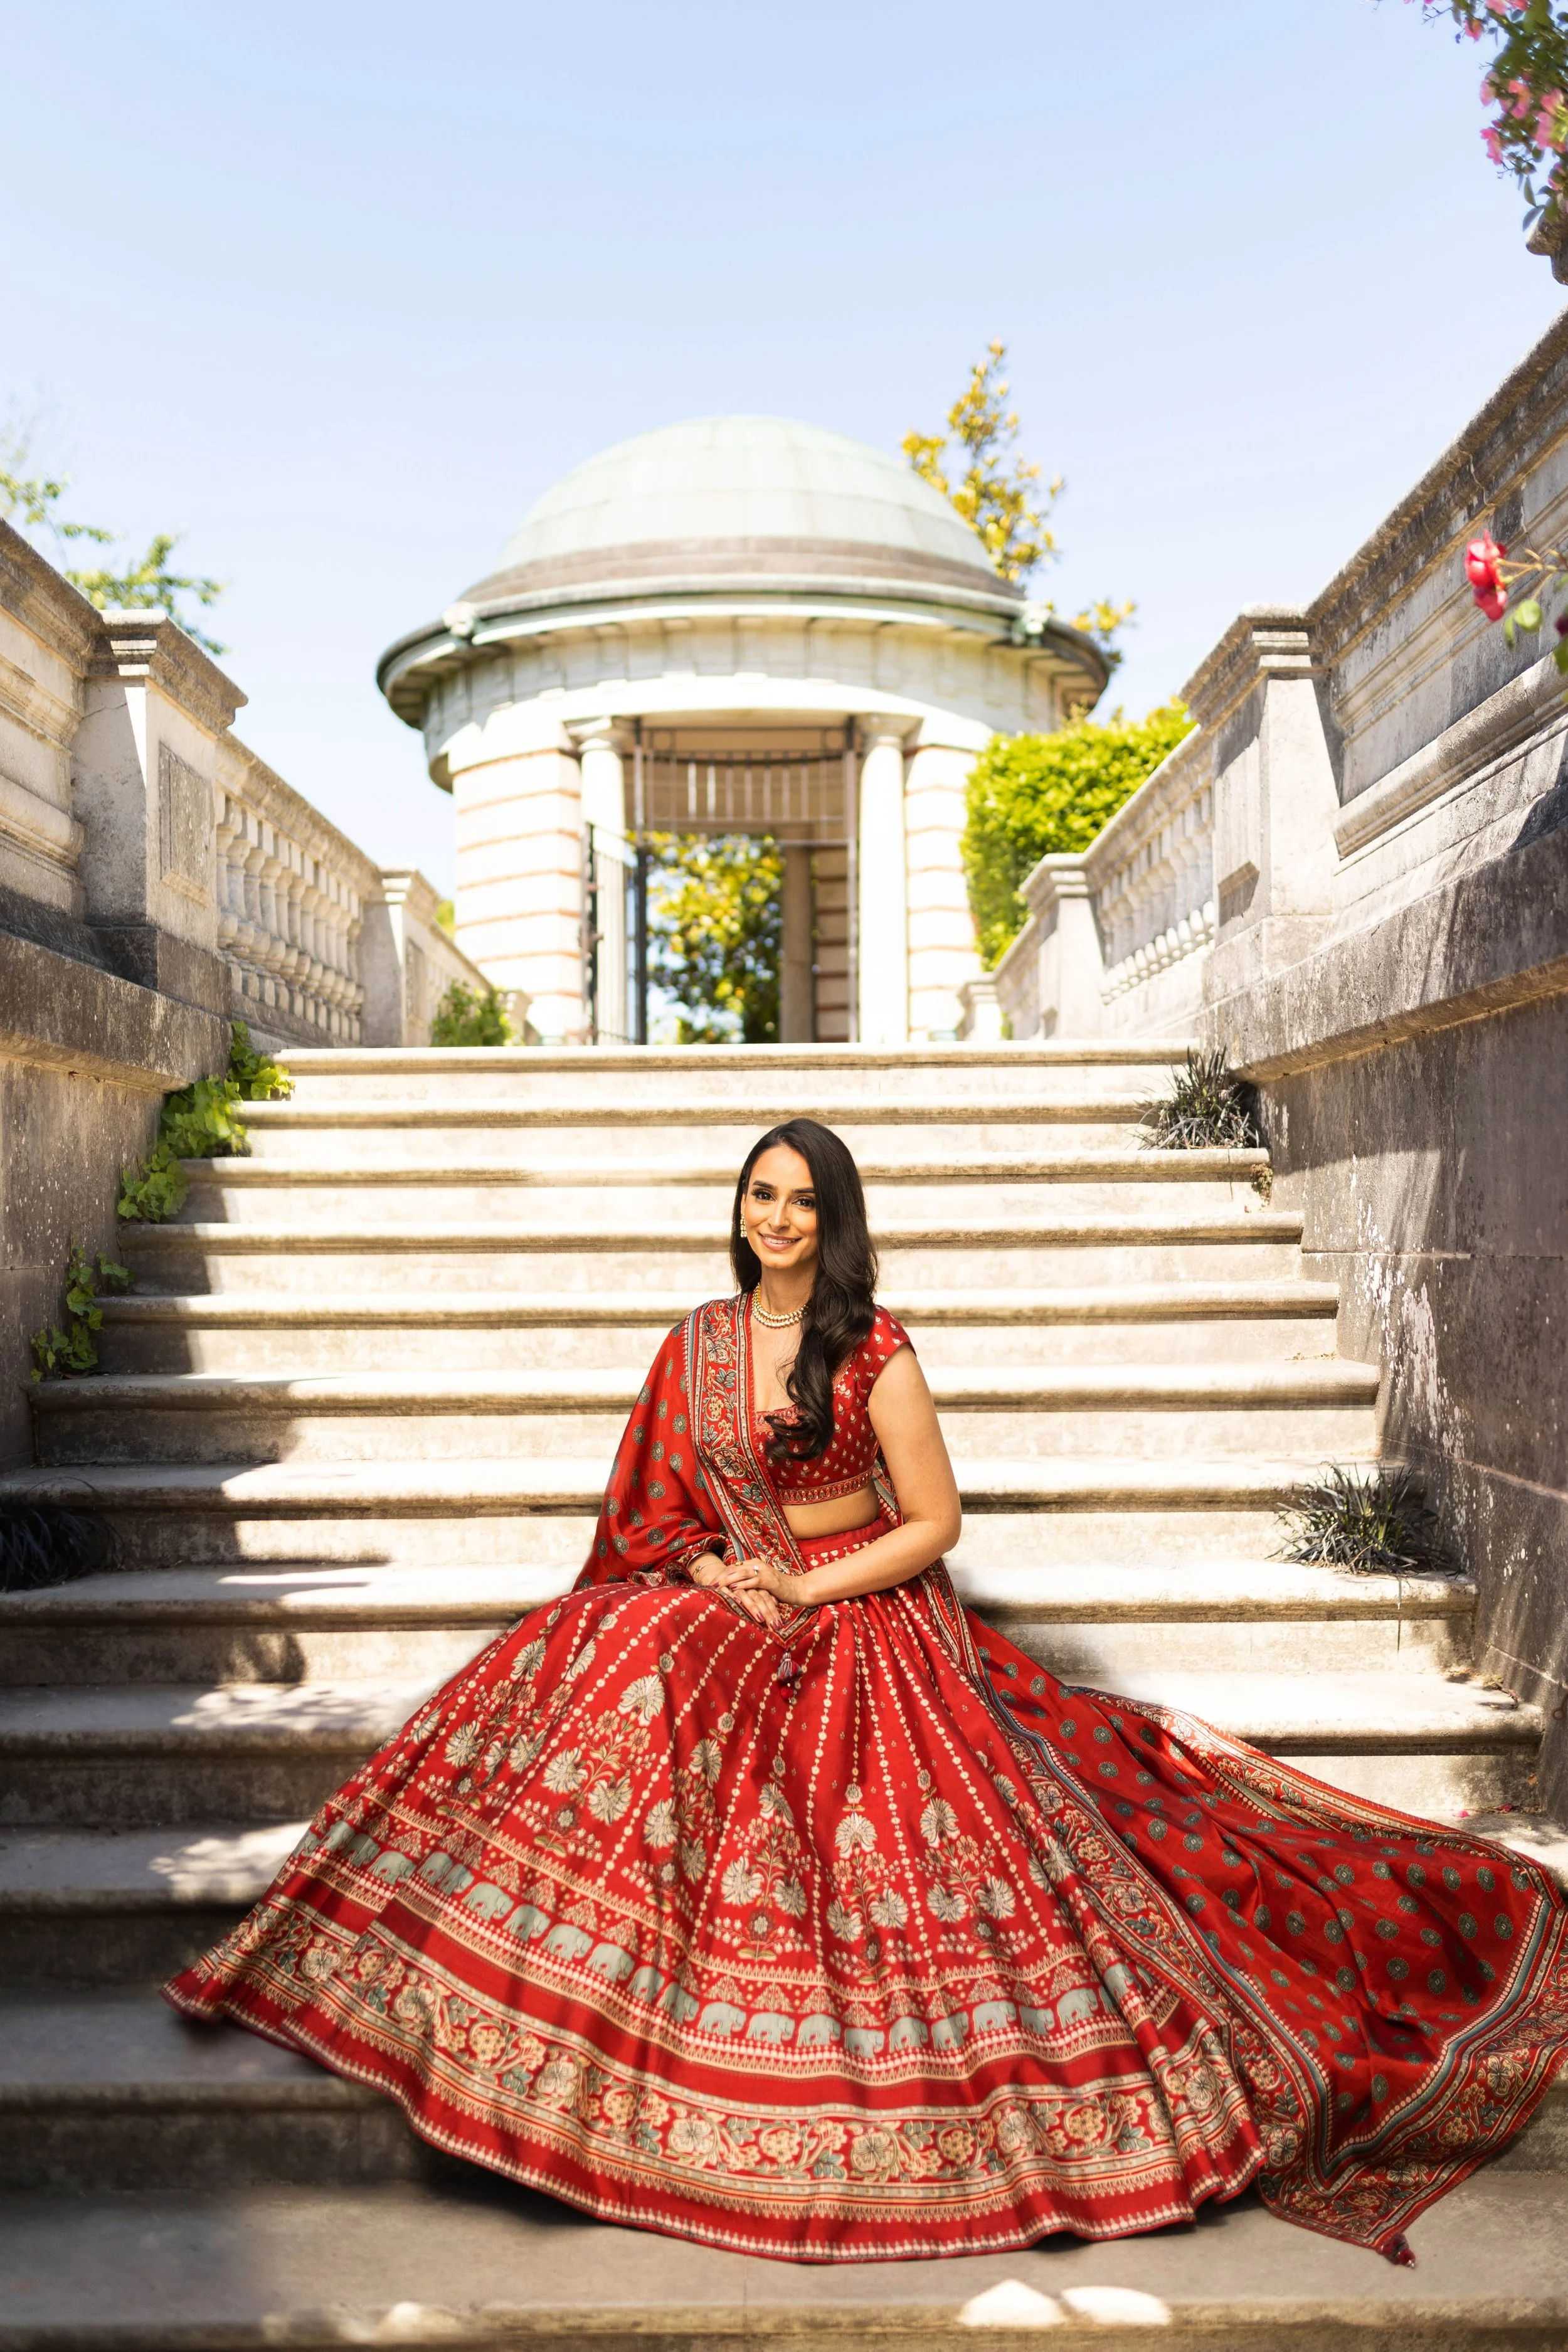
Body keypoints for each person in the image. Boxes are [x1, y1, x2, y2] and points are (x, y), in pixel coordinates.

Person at [166, 1118, 1568, 2265]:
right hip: (743, 1592)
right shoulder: (698, 1340)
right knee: (594, 1656)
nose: (775, 1218)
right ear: (738, 1208)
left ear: (833, 1218)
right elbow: (653, 1510)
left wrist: (802, 1588)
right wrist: (715, 1569)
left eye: (798, 1201)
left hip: (861, 1606)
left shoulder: (873, 1345)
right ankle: (478, 2000)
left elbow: (930, 1521)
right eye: (757, 1196)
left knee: (882, 1799)